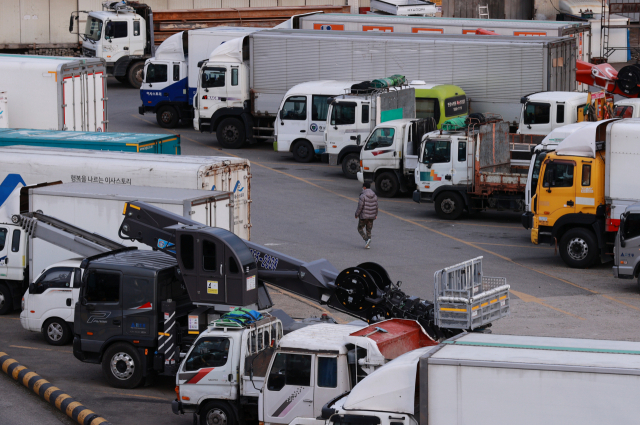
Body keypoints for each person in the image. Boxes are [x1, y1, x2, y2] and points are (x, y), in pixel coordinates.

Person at [355, 182, 378, 249]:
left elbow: (360, 206)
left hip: (364, 216)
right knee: (369, 229)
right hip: (371, 216)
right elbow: (376, 206)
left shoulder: (363, 195)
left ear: (364, 187)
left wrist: (356, 214)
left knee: (360, 228)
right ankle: (368, 243)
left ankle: (366, 239)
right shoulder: (374, 195)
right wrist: (375, 214)